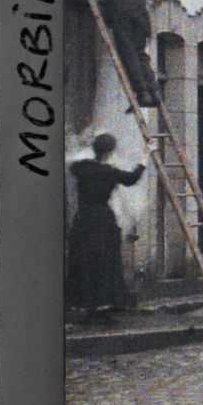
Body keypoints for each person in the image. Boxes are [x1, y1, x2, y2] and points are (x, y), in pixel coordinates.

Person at [69, 133, 145, 323]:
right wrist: (145, 156)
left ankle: (89, 307)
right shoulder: (109, 171)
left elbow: (73, 163)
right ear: (110, 152)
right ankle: (100, 308)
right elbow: (131, 178)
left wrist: (86, 147)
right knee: (104, 263)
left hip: (83, 219)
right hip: (102, 220)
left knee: (85, 263)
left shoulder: (82, 167)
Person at [94, 0, 161, 107]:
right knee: (140, 54)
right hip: (141, 18)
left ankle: (143, 93)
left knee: (129, 54)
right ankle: (154, 92)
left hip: (122, 16)